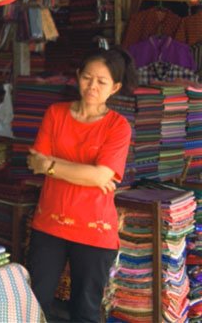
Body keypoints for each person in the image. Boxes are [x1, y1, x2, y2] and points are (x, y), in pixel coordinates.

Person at [26, 47, 136, 322]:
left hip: (94, 231)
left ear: (116, 87)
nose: (92, 86)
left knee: (85, 311)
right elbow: (35, 162)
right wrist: (88, 174)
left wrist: (53, 166)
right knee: (34, 303)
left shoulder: (118, 126)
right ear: (77, 77)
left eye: (102, 82)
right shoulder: (55, 113)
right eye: (87, 77)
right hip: (49, 224)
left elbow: (101, 176)